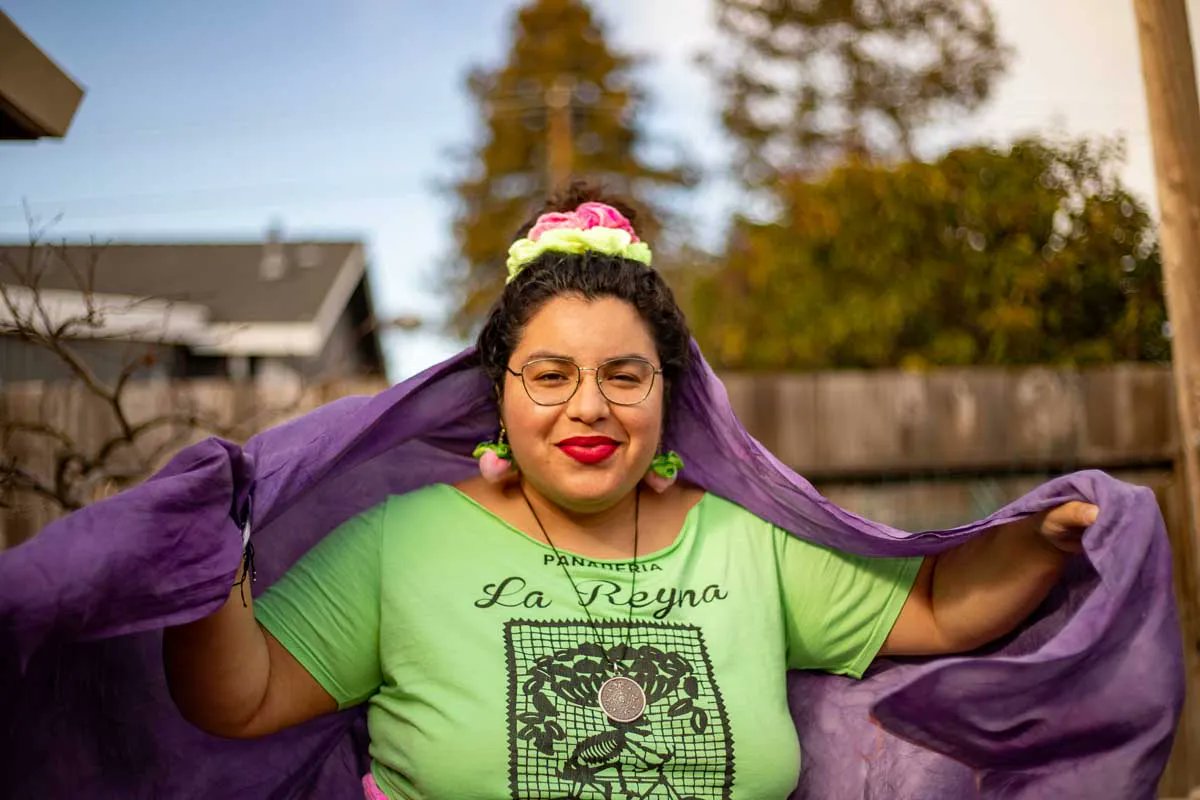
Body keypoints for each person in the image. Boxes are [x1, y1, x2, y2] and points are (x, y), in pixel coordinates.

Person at [162, 184, 1103, 800]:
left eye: (624, 375)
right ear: (500, 393)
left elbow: (937, 611)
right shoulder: (398, 544)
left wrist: (1048, 536)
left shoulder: (747, 541)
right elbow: (239, 703)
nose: (589, 408)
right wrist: (204, 557)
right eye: (550, 375)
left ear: (666, 394)